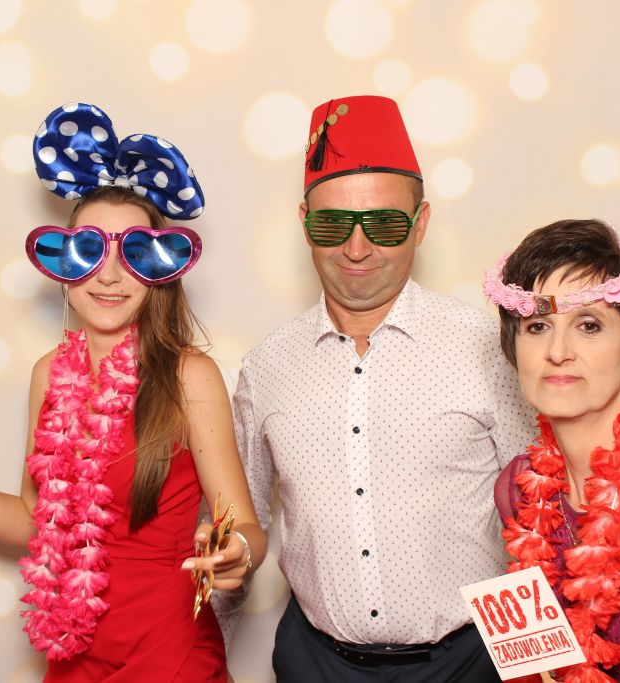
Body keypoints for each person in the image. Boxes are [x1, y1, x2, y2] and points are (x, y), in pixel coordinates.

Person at [0, 102, 266, 682]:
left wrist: (236, 550)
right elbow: (34, 522)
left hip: (170, 657)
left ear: (158, 269)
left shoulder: (188, 375)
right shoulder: (49, 373)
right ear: (66, 264)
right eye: (91, 251)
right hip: (74, 656)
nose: (109, 275)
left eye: (132, 254)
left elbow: (245, 526)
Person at [226, 95, 537, 681]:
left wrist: (539, 666)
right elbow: (243, 521)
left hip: (470, 660)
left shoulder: (490, 349)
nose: (357, 248)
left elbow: (537, 515)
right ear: (304, 222)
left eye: (386, 224)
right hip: (315, 662)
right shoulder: (266, 367)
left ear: (421, 224)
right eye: (332, 224)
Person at [487, 219, 620, 682]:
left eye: (589, 326)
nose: (557, 351)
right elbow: (534, 663)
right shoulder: (516, 489)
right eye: (537, 326)